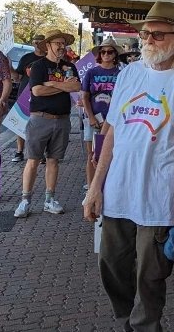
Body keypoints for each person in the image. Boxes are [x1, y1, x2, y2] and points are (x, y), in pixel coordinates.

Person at [83, 2, 174, 332]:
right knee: (110, 263)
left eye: (157, 33)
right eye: (144, 33)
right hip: (118, 194)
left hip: (160, 198)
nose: (148, 40)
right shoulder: (129, 74)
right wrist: (95, 187)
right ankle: (125, 319)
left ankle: (145, 326)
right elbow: (111, 132)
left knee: (151, 275)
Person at [14, 28, 80, 218]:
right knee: (32, 160)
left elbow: (75, 86)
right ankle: (25, 200)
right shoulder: (39, 66)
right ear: (48, 45)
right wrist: (62, 87)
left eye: (63, 43)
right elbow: (37, 91)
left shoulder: (69, 67)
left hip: (62, 120)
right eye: (57, 43)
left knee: (53, 161)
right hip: (40, 118)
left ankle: (49, 199)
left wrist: (51, 84)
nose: (61, 47)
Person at [81, 38, 122, 191]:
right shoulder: (92, 72)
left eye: (109, 51)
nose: (105, 54)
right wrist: (91, 117)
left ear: (115, 54)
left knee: (113, 153)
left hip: (114, 122)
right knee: (91, 154)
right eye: (103, 51)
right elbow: (84, 96)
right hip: (93, 120)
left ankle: (108, 186)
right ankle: (92, 187)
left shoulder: (121, 74)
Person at [11, 34, 46, 163]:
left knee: (40, 126)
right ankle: (19, 152)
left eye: (40, 42)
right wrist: (8, 66)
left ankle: (39, 153)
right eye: (35, 41)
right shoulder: (26, 58)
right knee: (21, 124)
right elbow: (17, 77)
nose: (37, 44)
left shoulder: (49, 59)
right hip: (24, 96)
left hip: (42, 96)